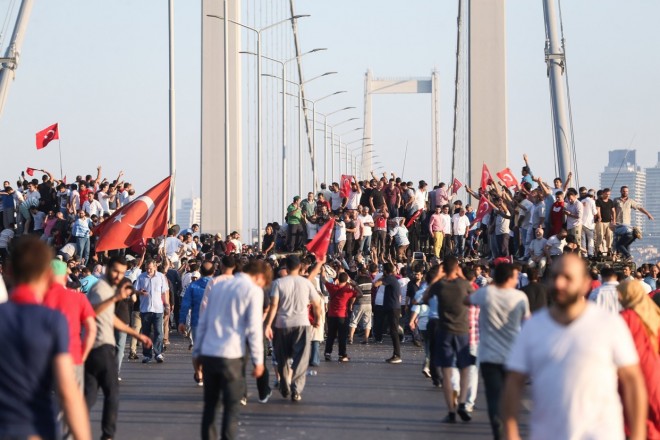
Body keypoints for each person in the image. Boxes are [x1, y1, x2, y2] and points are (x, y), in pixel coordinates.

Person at [503, 254, 648, 440]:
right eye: (555, 276)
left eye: (568, 277)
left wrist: (638, 435)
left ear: (585, 284)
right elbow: (513, 383)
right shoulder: (533, 327)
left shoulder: (609, 325)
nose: (559, 283)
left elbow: (633, 381)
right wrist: (511, 433)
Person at [0, 236, 91, 440]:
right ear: (48, 274)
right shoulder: (52, 320)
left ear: (8, 271)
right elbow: (67, 391)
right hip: (37, 428)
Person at [193, 260, 272, 440]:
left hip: (209, 352)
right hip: (232, 355)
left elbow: (204, 320)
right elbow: (254, 328)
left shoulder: (218, 286)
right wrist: (258, 361)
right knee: (231, 407)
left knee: (210, 406)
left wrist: (197, 352)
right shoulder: (253, 290)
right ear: (259, 277)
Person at [85, 255, 152, 440]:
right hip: (101, 346)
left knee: (89, 395)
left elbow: (110, 318)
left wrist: (136, 335)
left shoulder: (108, 288)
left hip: (94, 348)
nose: (118, 276)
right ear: (107, 268)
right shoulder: (101, 288)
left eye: (122, 273)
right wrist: (115, 298)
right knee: (112, 392)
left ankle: (72, 427)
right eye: (115, 271)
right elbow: (91, 312)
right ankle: (107, 435)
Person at [467, 263, 530, 439]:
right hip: (513, 355)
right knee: (511, 396)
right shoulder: (520, 297)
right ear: (509, 278)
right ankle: (510, 428)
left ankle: (498, 429)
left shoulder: (485, 293)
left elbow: (467, 300)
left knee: (493, 396)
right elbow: (528, 320)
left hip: (489, 355)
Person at [423, 256, 475, 423]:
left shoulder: (439, 285)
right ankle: (462, 402)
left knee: (447, 371)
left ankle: (451, 411)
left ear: (443, 269)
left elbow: (425, 298)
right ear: (457, 268)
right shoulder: (464, 284)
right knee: (465, 368)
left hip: (444, 330)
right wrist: (462, 276)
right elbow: (474, 296)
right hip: (462, 330)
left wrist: (437, 277)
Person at [264, 255, 323, 402]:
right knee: (301, 358)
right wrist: (317, 319)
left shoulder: (278, 283)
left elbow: (273, 305)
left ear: (287, 267)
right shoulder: (306, 283)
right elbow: (317, 304)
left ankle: (284, 381)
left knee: (282, 357)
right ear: (300, 267)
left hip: (281, 324)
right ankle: (296, 389)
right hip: (301, 324)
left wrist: (268, 325)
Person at [616, 280, 660, 439]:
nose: (619, 298)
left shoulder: (626, 317)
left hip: (633, 370)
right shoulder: (654, 314)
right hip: (654, 369)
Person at [179, 261, 214, 383]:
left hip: (197, 321)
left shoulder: (193, 286)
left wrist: (182, 321)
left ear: (200, 272)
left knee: (197, 349)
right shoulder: (218, 285)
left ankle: (198, 372)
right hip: (214, 323)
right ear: (213, 272)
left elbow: (185, 304)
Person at [135, 260, 169, 363]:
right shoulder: (141, 277)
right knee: (146, 332)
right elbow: (134, 289)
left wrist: (167, 305)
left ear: (155, 267)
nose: (148, 270)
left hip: (158, 309)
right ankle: (147, 355)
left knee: (159, 332)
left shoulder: (161, 277)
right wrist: (139, 292)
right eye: (146, 268)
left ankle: (158, 353)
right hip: (145, 309)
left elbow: (165, 292)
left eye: (150, 268)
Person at [322, 271, 357, 362]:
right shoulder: (348, 291)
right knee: (342, 336)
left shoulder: (332, 287)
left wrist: (322, 270)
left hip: (331, 315)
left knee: (331, 335)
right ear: (346, 280)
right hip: (342, 315)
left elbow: (323, 279)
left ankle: (327, 353)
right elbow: (360, 294)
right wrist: (354, 285)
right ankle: (342, 354)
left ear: (338, 279)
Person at [373, 262, 404, 363]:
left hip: (393, 308)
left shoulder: (389, 278)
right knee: (392, 330)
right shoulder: (392, 278)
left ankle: (397, 355)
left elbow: (375, 284)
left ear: (385, 271)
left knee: (394, 331)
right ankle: (395, 354)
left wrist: (382, 277)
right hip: (393, 307)